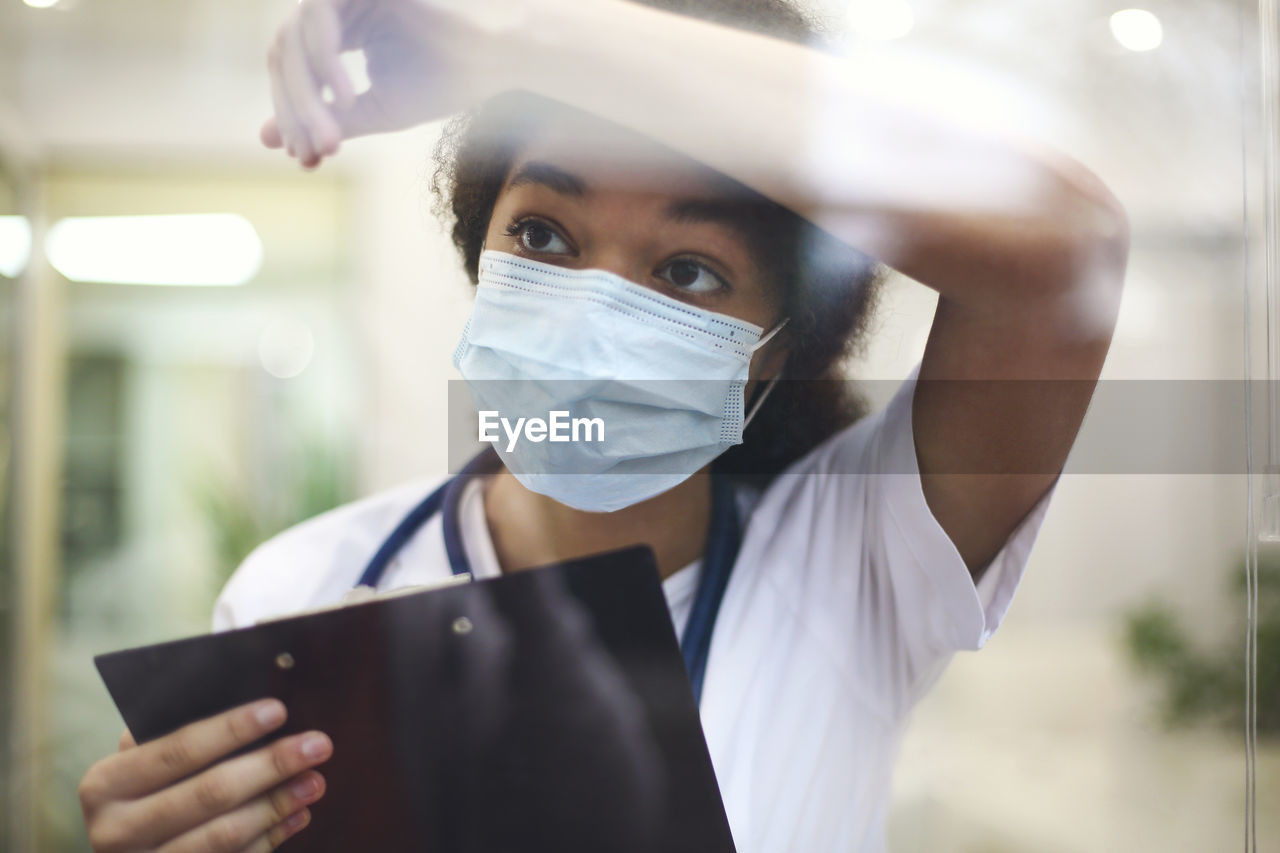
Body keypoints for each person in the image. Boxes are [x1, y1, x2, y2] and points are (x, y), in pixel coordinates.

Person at [78, 0, 1128, 850]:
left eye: (686, 271)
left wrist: (514, 34)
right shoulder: (296, 596)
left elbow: (1060, 251)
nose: (589, 313)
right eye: (542, 233)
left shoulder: (856, 565)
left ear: (778, 343)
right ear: (476, 255)